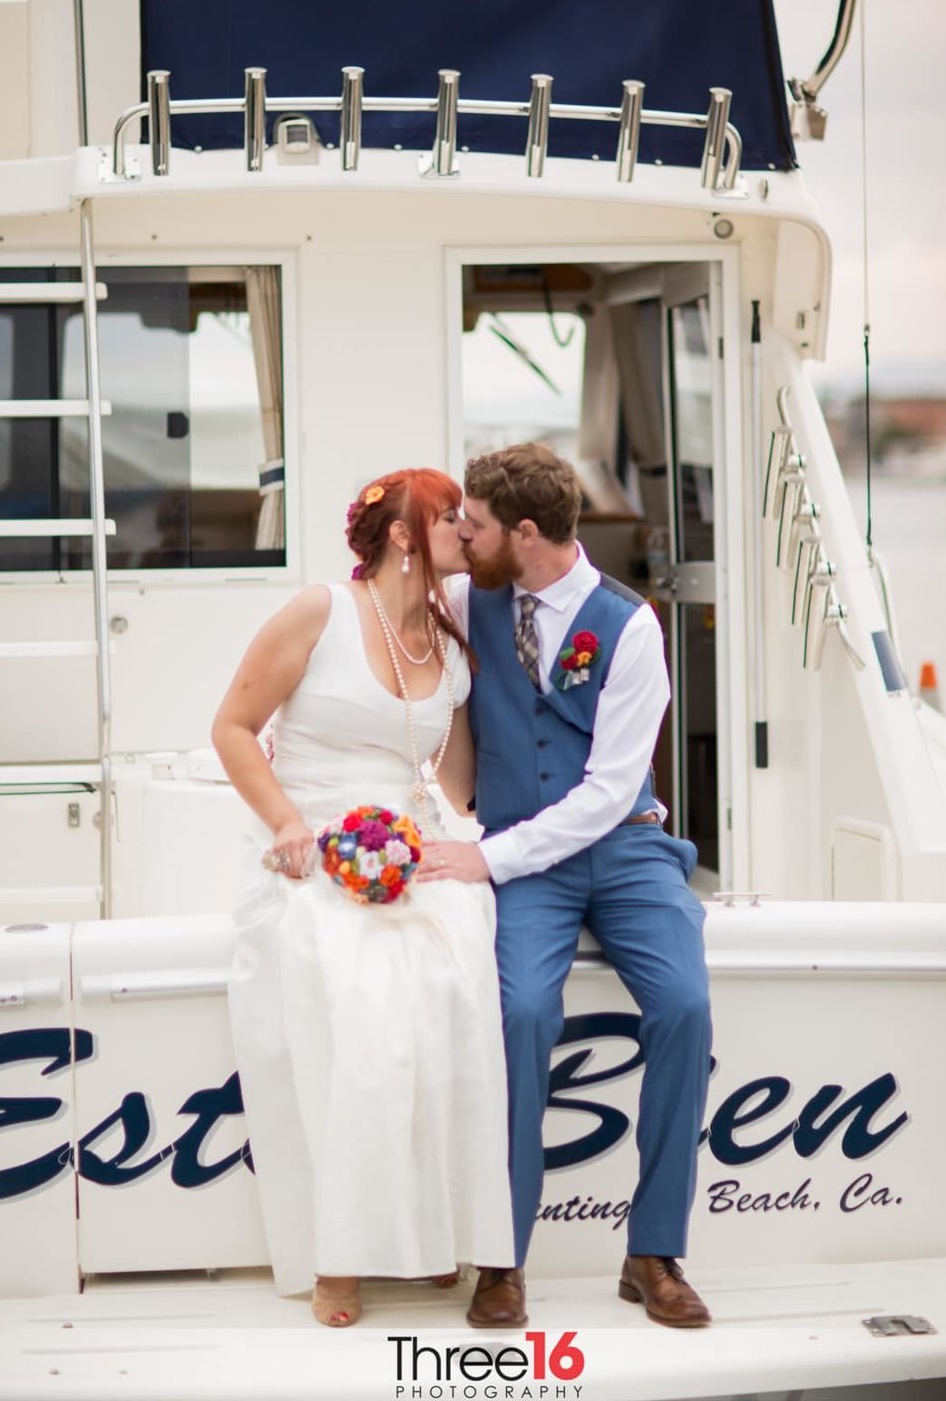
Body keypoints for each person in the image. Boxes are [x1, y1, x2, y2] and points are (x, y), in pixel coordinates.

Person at [420, 442, 712, 1330]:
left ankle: (653, 1251)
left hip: (622, 851)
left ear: (528, 532)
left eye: (475, 525)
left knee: (685, 1007)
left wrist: (487, 859)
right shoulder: (469, 599)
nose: (463, 536)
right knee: (519, 1015)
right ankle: (501, 1258)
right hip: (522, 859)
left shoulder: (630, 628)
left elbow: (610, 792)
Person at [214, 468, 514, 1327]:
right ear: (404, 535)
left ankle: (434, 1235)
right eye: (451, 515)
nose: (468, 527)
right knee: (357, 992)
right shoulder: (320, 611)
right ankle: (337, 1257)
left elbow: (457, 782)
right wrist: (284, 825)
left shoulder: (453, 646)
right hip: (306, 843)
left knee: (458, 981)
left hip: (404, 847)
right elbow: (231, 729)